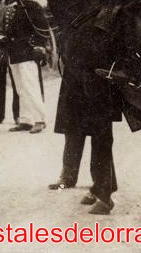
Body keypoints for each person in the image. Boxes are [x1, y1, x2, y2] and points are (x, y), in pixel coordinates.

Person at [51, 62, 121, 215]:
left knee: (100, 135)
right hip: (75, 74)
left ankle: (103, 191)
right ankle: (73, 177)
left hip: (98, 75)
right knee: (72, 125)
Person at [2, 0, 49, 134]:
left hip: (28, 52)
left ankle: (40, 120)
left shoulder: (32, 6)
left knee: (30, 86)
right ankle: (26, 120)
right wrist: (5, 40)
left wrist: (39, 47)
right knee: (20, 88)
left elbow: (43, 28)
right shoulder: (13, 9)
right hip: (14, 53)